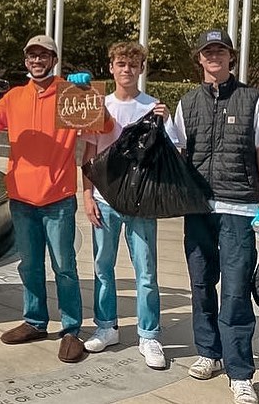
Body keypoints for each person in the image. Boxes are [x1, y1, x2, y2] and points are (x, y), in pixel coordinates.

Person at [0, 34, 103, 364]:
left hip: (57, 198)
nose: (37, 60)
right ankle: (34, 321)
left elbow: (103, 126)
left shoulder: (69, 94)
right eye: (32, 55)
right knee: (29, 265)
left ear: (54, 60)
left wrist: (88, 92)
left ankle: (71, 329)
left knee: (64, 267)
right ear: (25, 60)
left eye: (43, 55)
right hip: (22, 199)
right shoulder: (14, 97)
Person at [170, 29, 259, 404]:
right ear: (200, 58)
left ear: (230, 57)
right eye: (208, 51)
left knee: (236, 290)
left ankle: (240, 372)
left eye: (220, 51)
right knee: (201, 283)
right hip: (199, 209)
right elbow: (176, 154)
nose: (214, 57)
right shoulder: (186, 103)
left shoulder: (254, 100)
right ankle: (210, 352)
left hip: (239, 208)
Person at [81, 41, 171, 370]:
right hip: (104, 200)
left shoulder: (153, 107)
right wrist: (87, 196)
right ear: (111, 68)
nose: (127, 70)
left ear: (141, 69)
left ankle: (149, 335)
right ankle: (106, 327)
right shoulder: (99, 105)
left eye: (133, 65)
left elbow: (173, 150)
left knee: (146, 272)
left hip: (141, 201)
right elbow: (89, 156)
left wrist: (166, 122)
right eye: (121, 64)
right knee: (102, 268)